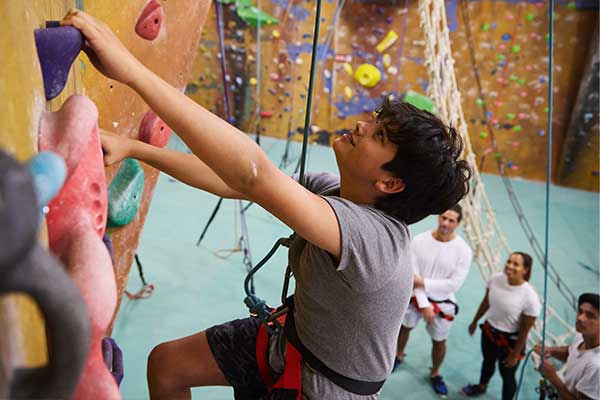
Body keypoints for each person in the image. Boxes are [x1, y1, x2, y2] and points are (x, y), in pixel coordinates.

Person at [60, 9, 472, 399]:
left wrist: (132, 72)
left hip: (327, 387)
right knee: (167, 365)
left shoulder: (374, 240)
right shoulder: (332, 193)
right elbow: (235, 183)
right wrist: (137, 149)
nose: (363, 125)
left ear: (389, 182)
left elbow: (251, 173)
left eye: (378, 136)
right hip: (291, 338)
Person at [394, 204, 472, 395]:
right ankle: (398, 355)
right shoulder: (419, 241)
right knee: (404, 328)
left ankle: (435, 372)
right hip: (416, 297)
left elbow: (453, 284)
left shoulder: (464, 251)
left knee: (439, 342)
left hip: (442, 303)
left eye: (451, 220)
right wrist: (424, 303)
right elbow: (413, 276)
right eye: (443, 218)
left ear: (458, 223)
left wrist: (424, 288)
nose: (445, 223)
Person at [462, 252, 541, 400]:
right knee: (487, 363)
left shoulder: (530, 297)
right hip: (489, 332)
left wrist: (515, 354)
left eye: (516, 264)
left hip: (510, 343)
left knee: (507, 375)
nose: (510, 266)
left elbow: (524, 332)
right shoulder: (495, 279)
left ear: (525, 270)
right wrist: (474, 321)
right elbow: (486, 302)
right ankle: (481, 386)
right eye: (509, 261)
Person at [533, 293, 600, 400]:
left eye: (590, 315)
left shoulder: (596, 367)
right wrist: (550, 350)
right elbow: (571, 352)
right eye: (580, 311)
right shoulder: (582, 336)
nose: (580, 318)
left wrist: (553, 377)